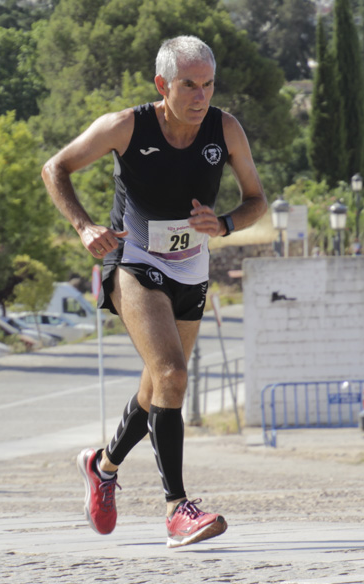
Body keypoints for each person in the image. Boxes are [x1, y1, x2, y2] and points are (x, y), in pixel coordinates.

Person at [41, 35, 267, 548]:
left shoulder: (225, 129)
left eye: (208, 84)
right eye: (189, 84)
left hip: (191, 269)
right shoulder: (127, 125)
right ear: (162, 84)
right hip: (135, 263)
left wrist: (225, 223)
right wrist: (83, 227)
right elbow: (55, 168)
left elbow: (256, 200)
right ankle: (176, 510)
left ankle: (102, 466)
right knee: (173, 373)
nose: (200, 95)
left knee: (159, 387)